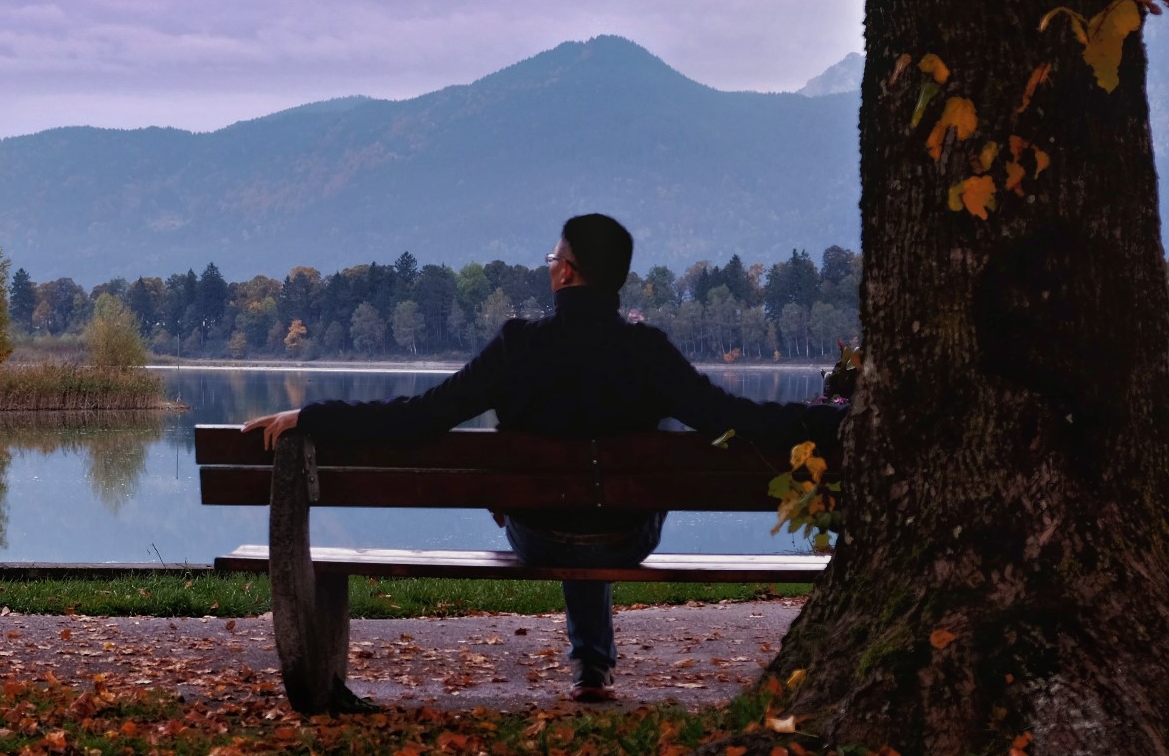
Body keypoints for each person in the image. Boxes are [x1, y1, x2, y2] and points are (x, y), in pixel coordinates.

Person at [244, 213, 845, 702]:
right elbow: (735, 419)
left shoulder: (518, 346)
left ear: (568, 274)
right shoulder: (649, 351)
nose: (551, 267)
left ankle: (589, 659)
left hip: (541, 534)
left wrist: (315, 415)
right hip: (628, 534)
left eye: (554, 258)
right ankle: (592, 665)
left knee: (559, 494)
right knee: (609, 482)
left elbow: (420, 416)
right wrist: (833, 419)